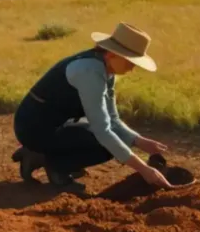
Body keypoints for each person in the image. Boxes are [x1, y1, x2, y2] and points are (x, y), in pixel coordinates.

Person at [11, 22, 174, 193]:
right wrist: (144, 169)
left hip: (50, 123)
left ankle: (39, 154)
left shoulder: (104, 68)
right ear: (112, 54)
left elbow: (112, 118)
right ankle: (56, 167)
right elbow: (103, 130)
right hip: (33, 128)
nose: (132, 68)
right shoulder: (89, 72)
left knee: (111, 137)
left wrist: (139, 141)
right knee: (105, 147)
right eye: (130, 62)